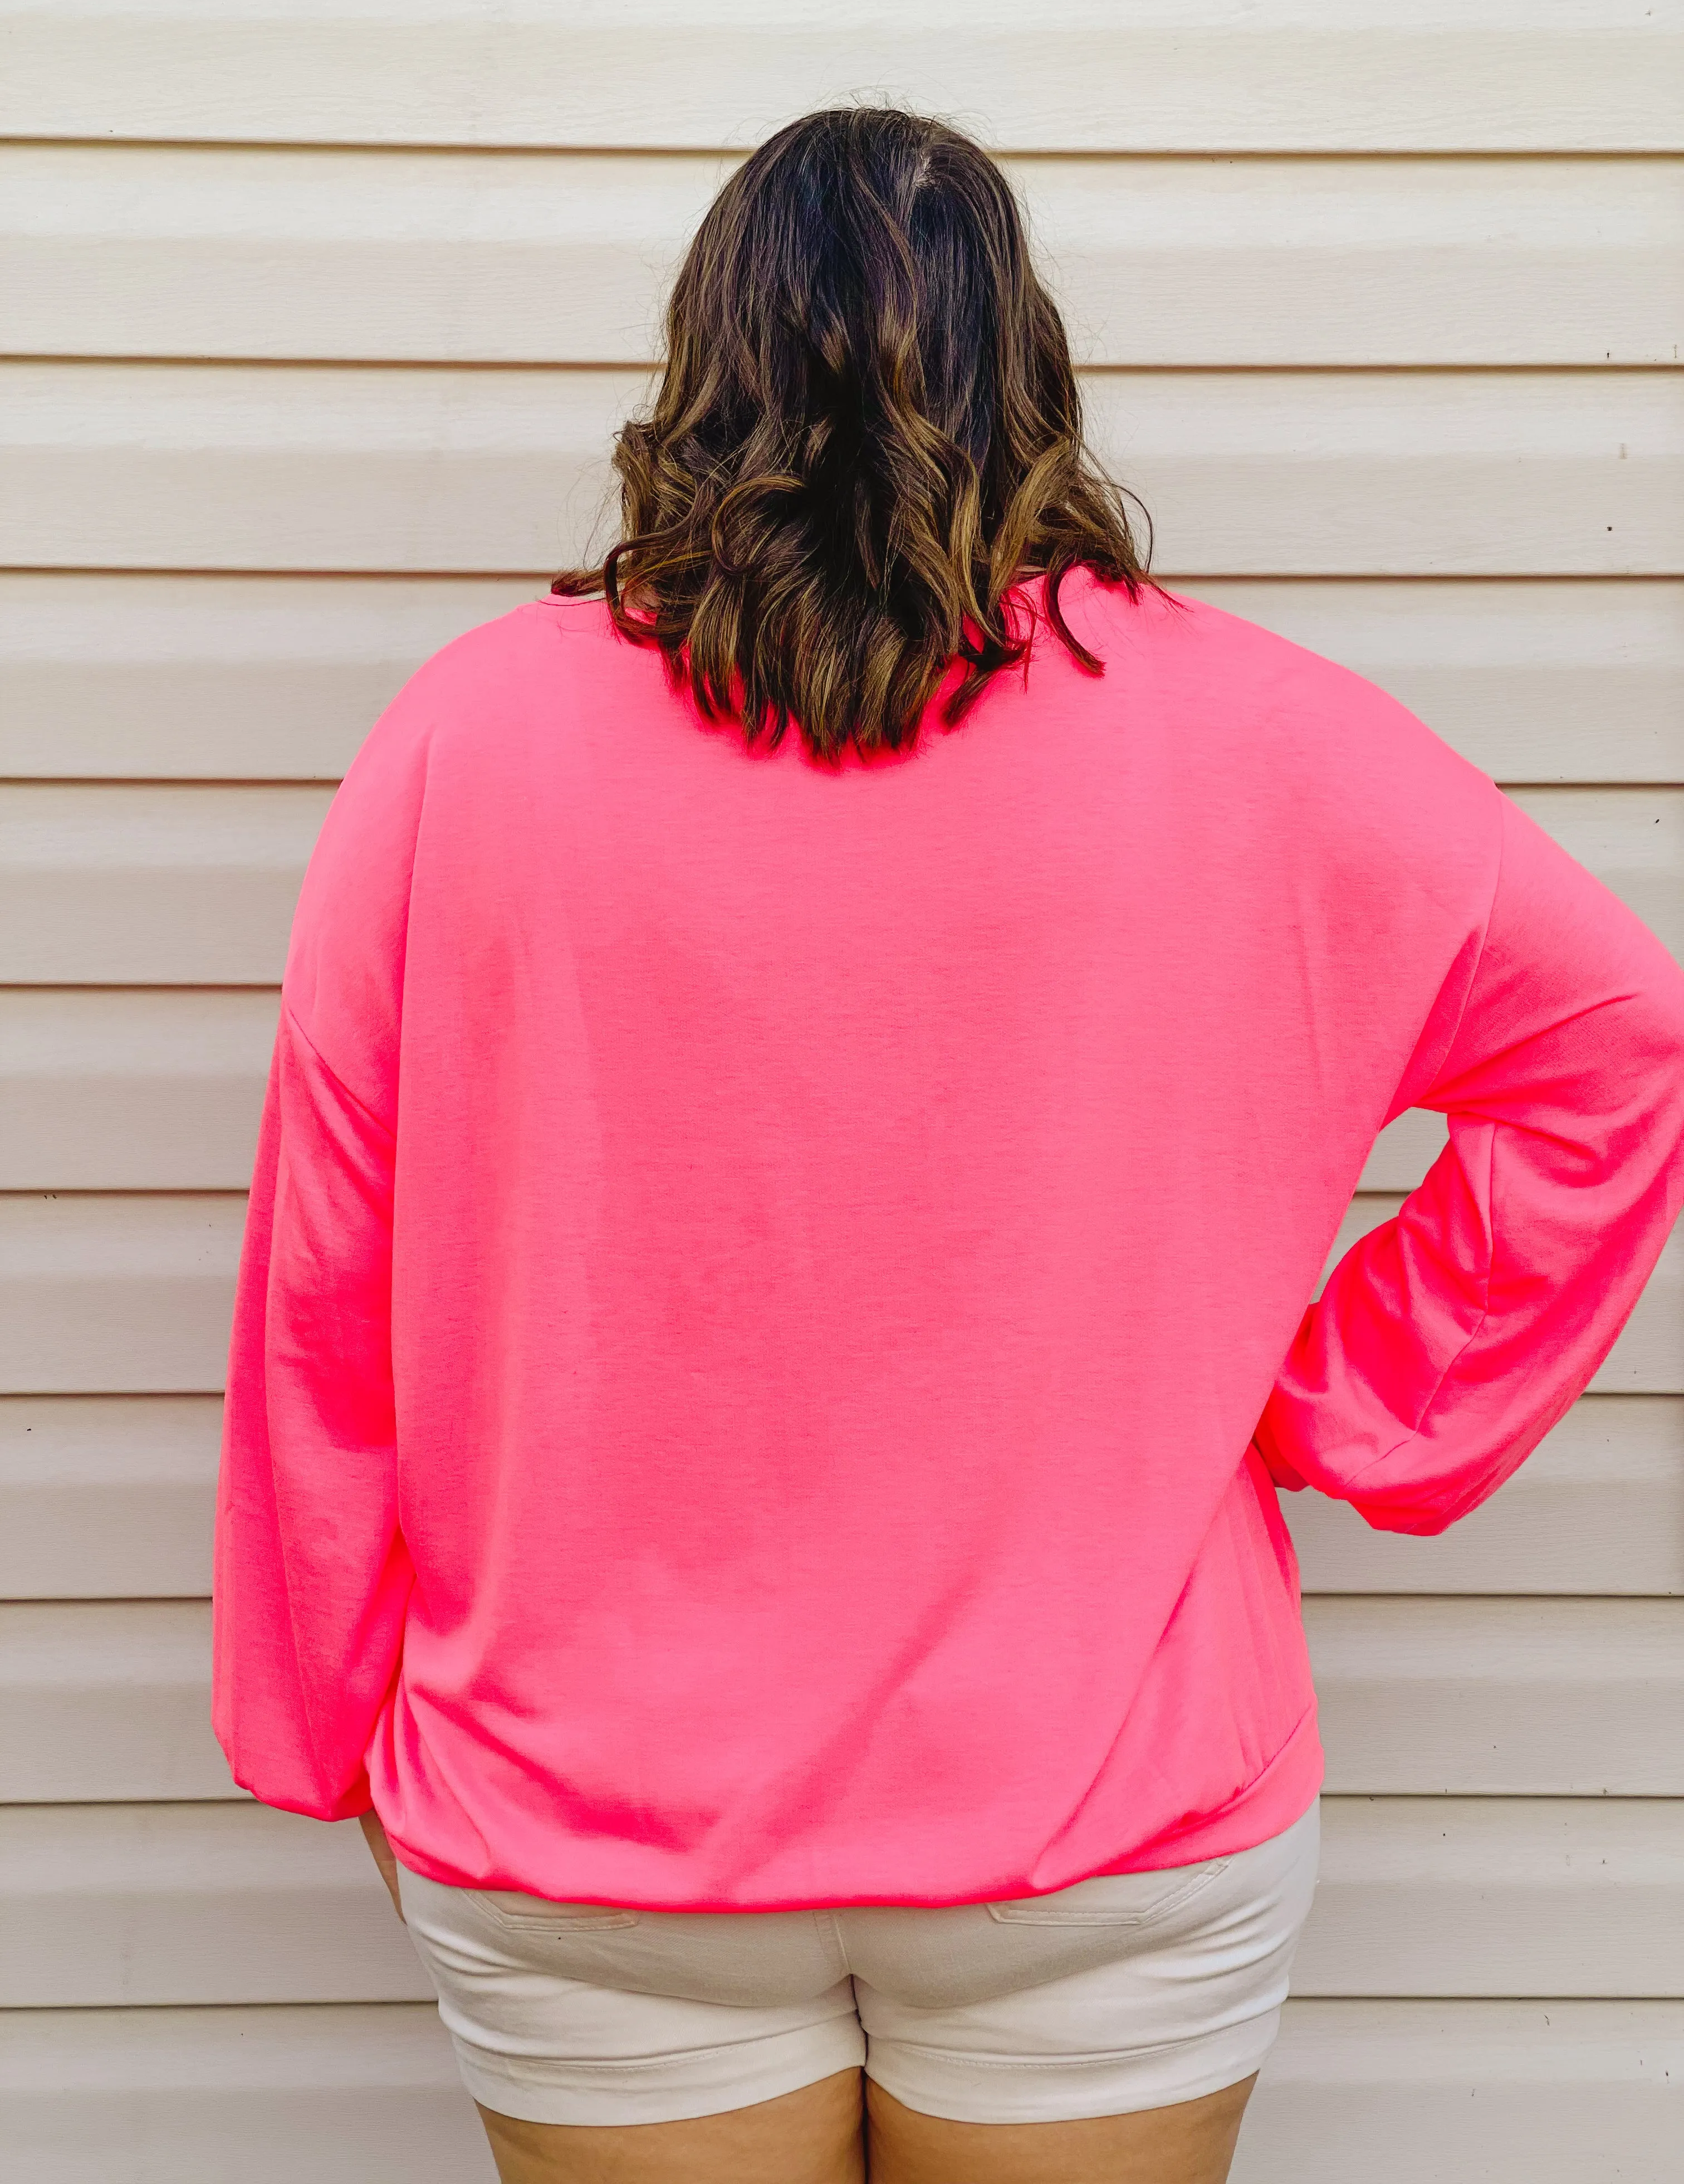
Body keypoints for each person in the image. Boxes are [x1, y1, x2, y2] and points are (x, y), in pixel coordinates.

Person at [212, 106, 1684, 2184]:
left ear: (702, 374)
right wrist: (1346, 1405)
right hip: (1112, 1800)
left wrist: (321, 1714)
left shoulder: (464, 741)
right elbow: (1622, 1046)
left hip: (590, 1818)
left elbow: (322, 1280)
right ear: (1031, 369)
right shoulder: (1260, 739)